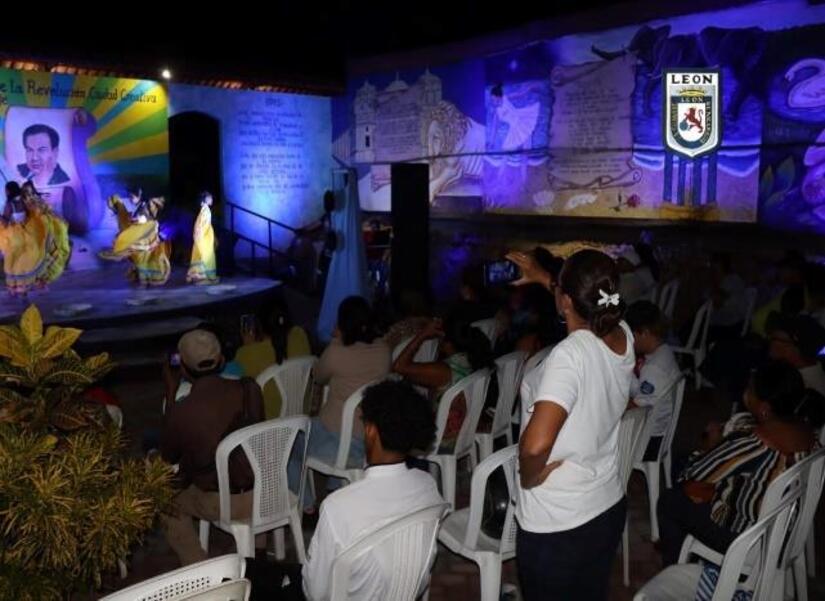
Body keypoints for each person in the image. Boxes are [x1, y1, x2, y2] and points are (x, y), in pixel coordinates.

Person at [506, 248, 633, 601]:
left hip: (559, 520)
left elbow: (535, 446)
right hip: (605, 505)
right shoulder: (621, 332)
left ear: (565, 300)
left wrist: (528, 476)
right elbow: (587, 302)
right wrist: (546, 277)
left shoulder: (569, 355)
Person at [658, 361, 816, 567]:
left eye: (750, 389)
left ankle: (676, 567)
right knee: (710, 483)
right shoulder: (809, 434)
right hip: (785, 531)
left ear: (764, 409)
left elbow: (691, 476)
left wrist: (709, 445)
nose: (746, 392)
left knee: (671, 499)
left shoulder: (754, 443)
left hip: (748, 540)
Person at [160, 329, 265, 566]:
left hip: (225, 502)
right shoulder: (250, 389)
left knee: (165, 501)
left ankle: (199, 566)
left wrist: (170, 393)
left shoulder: (183, 411)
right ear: (222, 360)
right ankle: (257, 548)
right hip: (264, 490)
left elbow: (168, 456)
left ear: (183, 369)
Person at [293, 296, 391, 510]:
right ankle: (338, 488)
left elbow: (318, 376)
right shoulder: (383, 349)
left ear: (343, 324)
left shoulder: (337, 352)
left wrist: (336, 340)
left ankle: (306, 504)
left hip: (337, 442)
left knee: (288, 444)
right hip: (371, 439)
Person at [392, 314, 494, 449]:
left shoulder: (443, 371)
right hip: (466, 433)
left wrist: (422, 335)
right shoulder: (473, 360)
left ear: (447, 342)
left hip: (444, 441)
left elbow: (399, 366)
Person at [235, 298, 312, 418]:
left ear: (259, 324)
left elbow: (235, 385)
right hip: (302, 417)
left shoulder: (247, 353)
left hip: (270, 423)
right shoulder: (300, 335)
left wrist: (248, 346)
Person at [625, 300, 682, 460]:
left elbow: (637, 410)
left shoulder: (654, 369)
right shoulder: (664, 351)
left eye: (632, 335)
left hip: (648, 441)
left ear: (644, 333)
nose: (630, 341)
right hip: (659, 429)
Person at [100, 189, 170, 286]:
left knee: (142, 259)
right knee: (140, 260)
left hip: (146, 236)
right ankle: (143, 280)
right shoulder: (140, 207)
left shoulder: (148, 205)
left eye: (132, 197)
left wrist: (140, 220)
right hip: (142, 236)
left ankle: (143, 282)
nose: (131, 199)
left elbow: (150, 218)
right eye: (130, 197)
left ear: (139, 195)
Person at [0, 181, 53, 295]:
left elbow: (5, 222)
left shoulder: (10, 205)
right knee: (27, 257)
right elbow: (29, 213)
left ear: (8, 191)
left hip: (15, 234)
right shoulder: (23, 201)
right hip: (28, 231)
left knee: (12, 261)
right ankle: (28, 283)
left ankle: (15, 286)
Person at [766, 312, 825, 397]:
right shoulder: (795, 375)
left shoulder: (802, 391)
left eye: (774, 338)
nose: (769, 340)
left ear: (793, 347)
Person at [707, 252, 748, 341]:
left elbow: (717, 303)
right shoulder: (723, 281)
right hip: (724, 324)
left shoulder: (732, 282)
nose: (712, 272)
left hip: (731, 326)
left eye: (715, 269)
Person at [187, 191, 219, 285]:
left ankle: (199, 277)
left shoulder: (204, 210)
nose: (211, 199)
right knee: (205, 257)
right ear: (205, 199)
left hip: (204, 237)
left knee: (202, 257)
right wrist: (200, 237)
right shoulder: (205, 211)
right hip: (204, 238)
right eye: (210, 198)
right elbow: (201, 226)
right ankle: (203, 278)